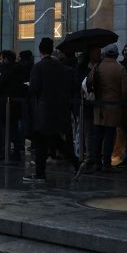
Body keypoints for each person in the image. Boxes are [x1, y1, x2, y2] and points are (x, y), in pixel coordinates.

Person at [25, 37, 77, 182]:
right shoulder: (61, 67)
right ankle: (76, 163)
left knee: (42, 142)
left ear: (40, 50)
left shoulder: (39, 67)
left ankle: (40, 173)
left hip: (43, 109)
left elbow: (34, 88)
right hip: (60, 108)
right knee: (56, 140)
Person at [83, 43, 127, 173]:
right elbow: (125, 90)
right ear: (116, 54)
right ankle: (107, 163)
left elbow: (89, 83)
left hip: (99, 106)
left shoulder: (98, 67)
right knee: (110, 135)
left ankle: (97, 162)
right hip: (113, 106)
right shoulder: (120, 69)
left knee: (97, 136)